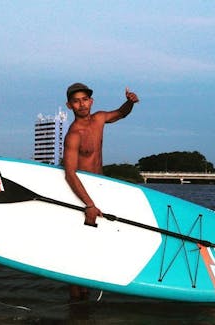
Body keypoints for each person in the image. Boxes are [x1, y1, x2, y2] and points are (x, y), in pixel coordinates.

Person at [62, 82, 139, 300]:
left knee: (93, 250)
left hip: (100, 191)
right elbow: (69, 173)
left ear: (91, 101)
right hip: (81, 195)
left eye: (85, 99)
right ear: (69, 106)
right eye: (76, 101)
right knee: (79, 252)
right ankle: (77, 304)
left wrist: (130, 102)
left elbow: (121, 114)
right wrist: (89, 204)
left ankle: (84, 303)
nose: (81, 104)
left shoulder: (99, 119)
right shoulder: (73, 134)